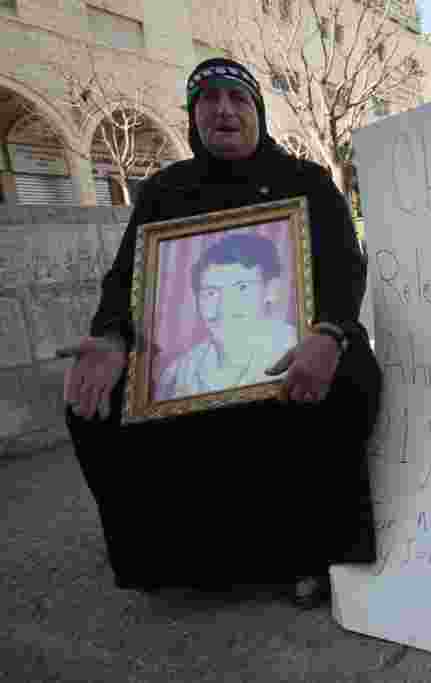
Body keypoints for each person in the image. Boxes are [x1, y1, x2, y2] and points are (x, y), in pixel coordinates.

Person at [59, 58, 380, 609]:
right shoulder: (164, 191)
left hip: (299, 346)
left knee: (348, 381)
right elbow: (126, 281)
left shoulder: (306, 182)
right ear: (192, 116)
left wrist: (328, 333)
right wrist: (112, 338)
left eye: (238, 97)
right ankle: (166, 559)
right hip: (192, 374)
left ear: (257, 110)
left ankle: (314, 552)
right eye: (208, 100)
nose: (224, 110)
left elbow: (345, 269)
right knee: (94, 398)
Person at [156, 233, 297, 400]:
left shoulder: (298, 349)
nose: (224, 307)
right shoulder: (178, 374)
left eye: (241, 288)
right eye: (211, 292)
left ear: (271, 290)